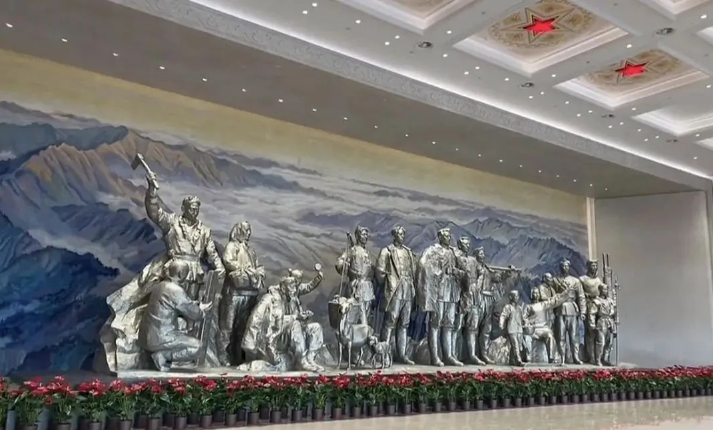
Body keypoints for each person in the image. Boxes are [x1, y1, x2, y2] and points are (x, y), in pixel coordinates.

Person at [242, 268, 325, 372]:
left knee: (316, 327)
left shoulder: (293, 295)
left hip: (294, 333)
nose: (294, 292)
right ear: (283, 289)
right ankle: (301, 361)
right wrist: (295, 317)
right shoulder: (270, 299)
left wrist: (302, 316)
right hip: (278, 335)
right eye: (291, 290)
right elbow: (266, 319)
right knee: (295, 324)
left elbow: (308, 287)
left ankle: (310, 359)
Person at [139, 259, 212, 371]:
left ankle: (162, 355)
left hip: (147, 336)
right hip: (161, 337)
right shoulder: (175, 290)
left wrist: (196, 305)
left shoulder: (160, 286)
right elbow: (194, 314)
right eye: (186, 274)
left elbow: (178, 304)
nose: (187, 278)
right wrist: (201, 311)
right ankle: (163, 356)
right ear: (181, 274)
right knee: (198, 347)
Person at [218, 221, 265, 366]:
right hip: (234, 293)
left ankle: (239, 356)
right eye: (246, 230)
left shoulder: (250, 250)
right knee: (228, 326)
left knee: (243, 327)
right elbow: (227, 261)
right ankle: (223, 355)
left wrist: (258, 271)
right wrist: (246, 270)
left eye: (249, 230)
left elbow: (256, 265)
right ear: (238, 230)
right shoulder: (232, 247)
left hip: (250, 294)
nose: (248, 233)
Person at [416, 228, 464, 367]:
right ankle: (435, 356)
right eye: (445, 236)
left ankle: (448, 355)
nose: (448, 238)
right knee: (435, 323)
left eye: (449, 236)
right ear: (440, 237)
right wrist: (439, 272)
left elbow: (464, 269)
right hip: (439, 292)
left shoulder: (454, 252)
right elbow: (423, 264)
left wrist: (457, 272)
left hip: (452, 292)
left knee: (449, 323)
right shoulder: (433, 250)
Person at [375, 225, 416, 364]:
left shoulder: (408, 252)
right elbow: (379, 271)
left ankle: (402, 354)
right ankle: (384, 355)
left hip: (407, 291)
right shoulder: (387, 251)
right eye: (399, 234)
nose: (402, 236)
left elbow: (413, 271)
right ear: (394, 235)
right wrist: (388, 283)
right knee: (390, 322)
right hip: (394, 290)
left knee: (404, 323)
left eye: (403, 234)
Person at [336, 226, 375, 326]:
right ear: (357, 236)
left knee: (367, 315)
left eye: (366, 235)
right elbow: (339, 263)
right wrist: (344, 265)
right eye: (363, 234)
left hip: (368, 288)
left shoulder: (367, 252)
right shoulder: (352, 250)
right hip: (356, 287)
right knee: (358, 316)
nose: (365, 236)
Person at [455, 237, 486, 365]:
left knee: (473, 327)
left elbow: (481, 272)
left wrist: (477, 285)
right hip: (460, 296)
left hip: (474, 296)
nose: (467, 246)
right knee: (457, 326)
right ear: (459, 245)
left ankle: (472, 355)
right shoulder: (455, 257)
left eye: (468, 244)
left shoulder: (473, 260)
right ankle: (453, 354)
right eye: (464, 244)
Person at [553, 259, 586, 364]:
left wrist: (583, 311)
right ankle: (562, 357)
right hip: (560, 309)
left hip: (572, 309)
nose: (565, 268)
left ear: (569, 267)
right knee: (561, 336)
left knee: (574, 336)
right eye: (563, 266)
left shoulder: (575, 281)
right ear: (560, 267)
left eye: (567, 266)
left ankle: (575, 357)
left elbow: (581, 296)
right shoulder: (555, 280)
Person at [589, 284, 617, 366]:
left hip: (610, 321)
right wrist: (592, 324)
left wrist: (616, 319)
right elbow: (592, 313)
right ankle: (598, 359)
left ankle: (605, 359)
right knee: (601, 342)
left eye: (606, 289)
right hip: (601, 322)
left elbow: (614, 311)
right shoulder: (596, 301)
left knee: (609, 343)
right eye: (604, 289)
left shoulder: (610, 301)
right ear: (600, 290)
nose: (605, 291)